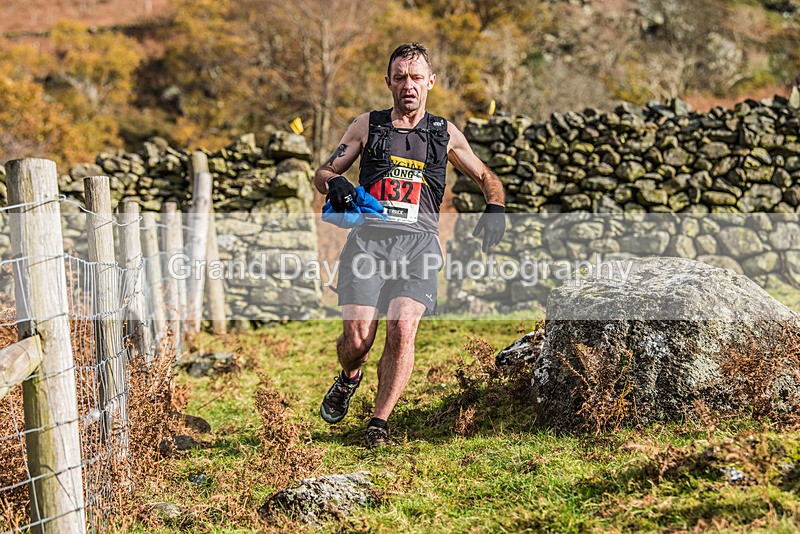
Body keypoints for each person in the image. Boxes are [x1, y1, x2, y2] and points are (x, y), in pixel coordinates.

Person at [313, 42, 506, 448]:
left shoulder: (445, 133)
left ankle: (378, 422)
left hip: (419, 248)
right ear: (388, 82)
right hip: (368, 246)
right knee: (357, 343)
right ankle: (350, 376)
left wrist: (496, 206)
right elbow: (324, 171)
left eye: (416, 77)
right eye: (400, 77)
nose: (408, 85)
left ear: (431, 82)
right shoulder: (367, 125)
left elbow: (486, 174)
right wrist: (337, 183)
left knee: (402, 329)